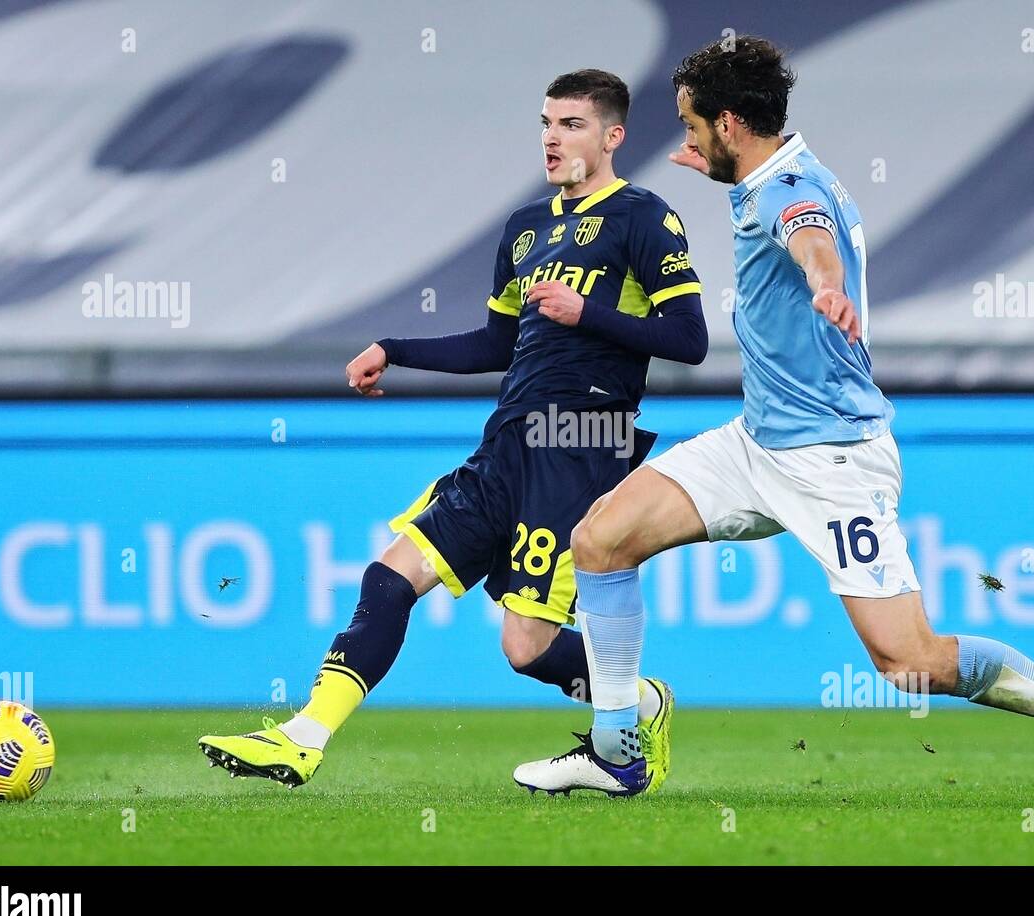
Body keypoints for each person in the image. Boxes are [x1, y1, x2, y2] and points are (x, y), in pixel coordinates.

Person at [513, 38, 1034, 801]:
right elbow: (779, 210)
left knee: (910, 663)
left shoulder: (787, 189)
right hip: (755, 443)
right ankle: (617, 752)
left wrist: (827, 285)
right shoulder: (767, 172)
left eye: (693, 125)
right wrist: (732, 187)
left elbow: (810, 238)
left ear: (729, 123)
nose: (687, 140)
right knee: (600, 540)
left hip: (833, 458)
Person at [199, 69, 707, 792]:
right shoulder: (527, 228)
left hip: (578, 446)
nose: (552, 139)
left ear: (613, 136)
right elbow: (496, 346)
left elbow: (689, 338)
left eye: (571, 125)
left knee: (525, 648)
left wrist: (586, 313)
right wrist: (395, 350)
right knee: (390, 574)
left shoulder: (644, 218)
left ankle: (640, 705)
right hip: (505, 444)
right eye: (546, 124)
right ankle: (302, 739)